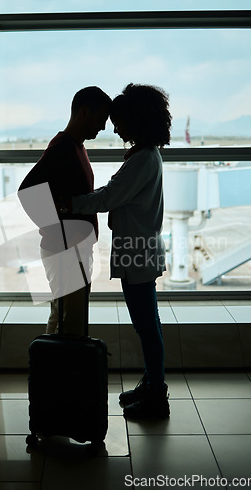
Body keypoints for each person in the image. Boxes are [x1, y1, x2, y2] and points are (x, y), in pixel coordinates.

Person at [69, 83, 171, 419]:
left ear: (136, 120)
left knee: (146, 325)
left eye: (120, 121)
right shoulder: (145, 156)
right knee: (147, 323)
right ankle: (151, 382)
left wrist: (69, 204)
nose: (114, 128)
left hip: (137, 252)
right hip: (138, 250)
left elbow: (110, 197)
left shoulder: (142, 159)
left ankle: (157, 394)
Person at [18, 86, 111, 336]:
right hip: (66, 251)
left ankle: (48, 370)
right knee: (71, 321)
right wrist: (57, 233)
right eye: (100, 119)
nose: (103, 127)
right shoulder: (63, 147)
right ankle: (61, 372)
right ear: (83, 112)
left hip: (73, 249)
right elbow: (27, 190)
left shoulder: (76, 146)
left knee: (63, 315)